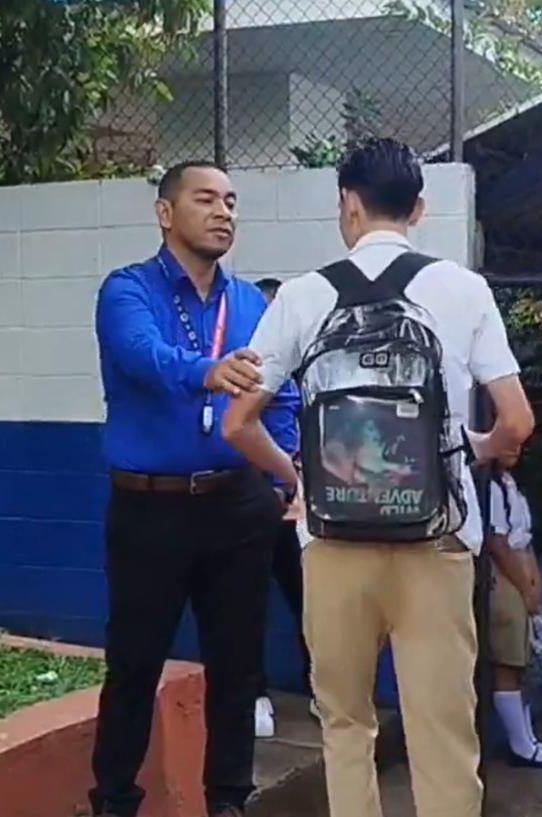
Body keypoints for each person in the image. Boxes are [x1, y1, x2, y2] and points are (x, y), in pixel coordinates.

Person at [218, 138, 534, 817]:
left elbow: (238, 423)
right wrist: (467, 447)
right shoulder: (463, 288)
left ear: (347, 206)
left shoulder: (302, 297)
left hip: (331, 543)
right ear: (418, 208)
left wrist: (298, 475)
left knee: (345, 723)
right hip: (438, 543)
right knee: (443, 733)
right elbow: (517, 420)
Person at [90, 161, 301, 817]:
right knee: (133, 666)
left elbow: (283, 393)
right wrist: (209, 371)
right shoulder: (127, 290)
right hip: (148, 507)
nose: (223, 212)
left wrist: (282, 471)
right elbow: (142, 357)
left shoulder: (250, 303)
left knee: (237, 669)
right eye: (205, 198)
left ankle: (229, 800)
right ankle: (116, 799)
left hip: (237, 505)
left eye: (231, 201)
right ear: (165, 212)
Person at [251, 277, 313, 739]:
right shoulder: (248, 371)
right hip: (252, 499)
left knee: (309, 599)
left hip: (295, 505)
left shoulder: (300, 371)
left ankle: (321, 687)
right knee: (245, 602)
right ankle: (255, 695)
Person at [484, 451, 542, 769]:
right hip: (504, 579)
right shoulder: (488, 486)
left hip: (521, 574)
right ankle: (520, 745)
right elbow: (498, 542)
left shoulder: (509, 482)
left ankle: (527, 738)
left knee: (523, 662)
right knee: (509, 662)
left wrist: (535, 582)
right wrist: (525, 586)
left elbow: (523, 537)